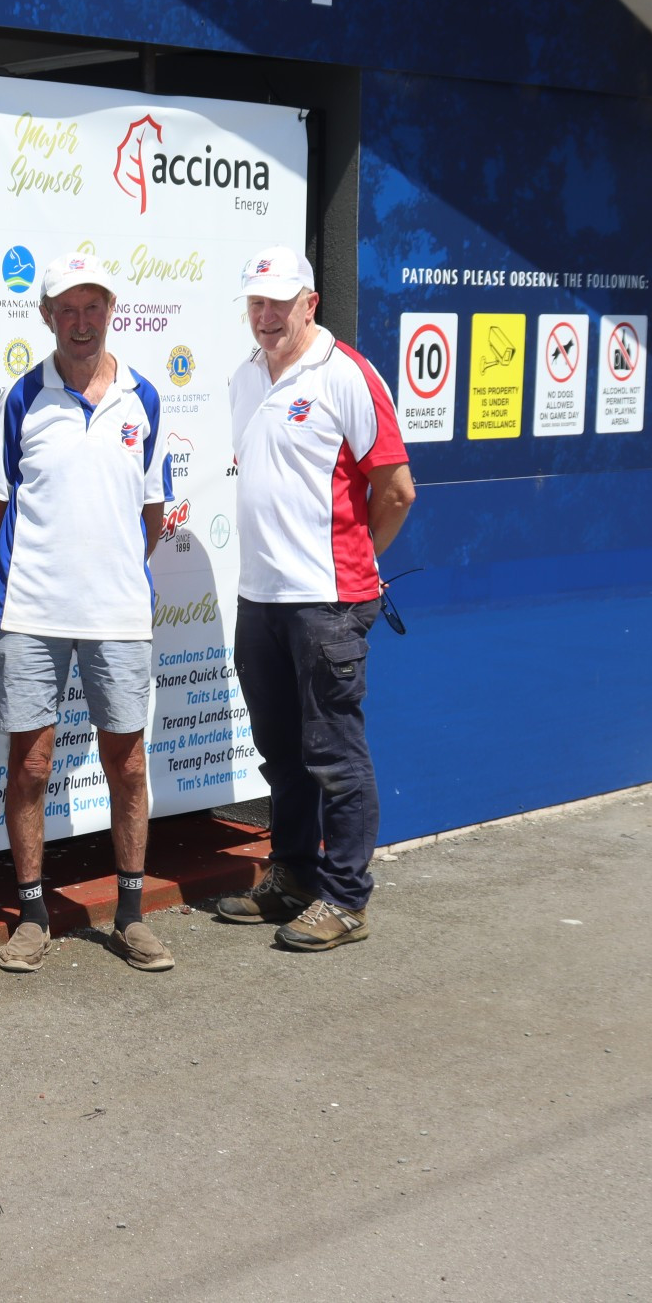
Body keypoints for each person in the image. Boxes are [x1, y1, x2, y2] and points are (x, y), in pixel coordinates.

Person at [215, 246, 416, 950]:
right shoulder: (244, 377)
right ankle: (294, 876)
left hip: (326, 602)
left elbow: (396, 491)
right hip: (260, 598)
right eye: (256, 302)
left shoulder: (346, 376)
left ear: (310, 302)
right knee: (282, 752)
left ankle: (348, 897)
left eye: (279, 301)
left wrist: (356, 566)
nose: (266, 316)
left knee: (334, 751)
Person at [0, 255, 174, 974]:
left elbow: (151, 515)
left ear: (111, 312)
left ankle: (129, 914)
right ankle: (31, 915)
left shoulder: (144, 399)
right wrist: (40, 579)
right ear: (47, 317)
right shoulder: (21, 398)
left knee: (126, 763)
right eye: (69, 309)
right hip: (30, 609)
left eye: (94, 308)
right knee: (30, 764)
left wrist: (109, 570)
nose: (82, 323)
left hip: (119, 613)